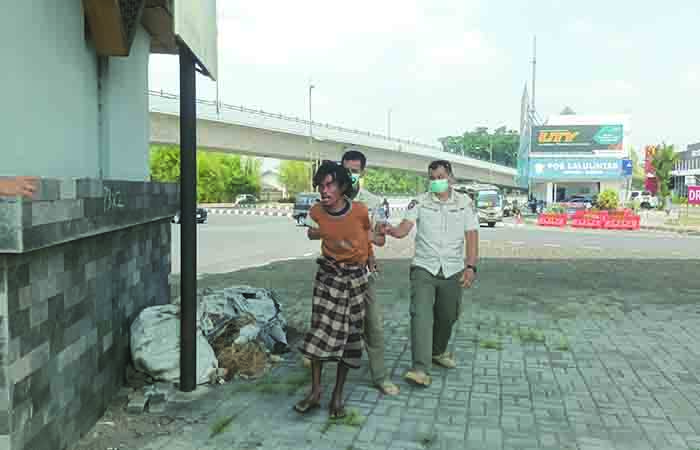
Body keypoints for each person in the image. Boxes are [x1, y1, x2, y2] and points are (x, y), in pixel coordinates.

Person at [305, 150, 401, 396]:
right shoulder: (326, 200)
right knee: (324, 322)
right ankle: (316, 368)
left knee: (373, 326)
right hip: (333, 273)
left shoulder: (374, 203)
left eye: (355, 171)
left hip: (360, 274)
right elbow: (313, 231)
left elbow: (379, 239)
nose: (350, 175)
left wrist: (359, 238)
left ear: (362, 172)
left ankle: (380, 377)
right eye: (346, 170)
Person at [382, 160, 479, 387]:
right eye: (432, 178)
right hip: (424, 267)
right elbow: (404, 229)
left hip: (453, 268)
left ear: (451, 178)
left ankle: (437, 351)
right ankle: (419, 368)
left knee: (448, 315)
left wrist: (471, 266)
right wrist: (390, 230)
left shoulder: (465, 203)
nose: (436, 182)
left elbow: (472, 235)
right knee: (421, 315)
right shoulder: (419, 202)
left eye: (441, 177)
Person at [295, 160, 373, 419]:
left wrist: (368, 254)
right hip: (328, 277)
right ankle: (316, 392)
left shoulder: (360, 211)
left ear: (342, 187)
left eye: (329, 185)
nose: (323, 191)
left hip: (355, 280)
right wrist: (324, 235)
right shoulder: (316, 211)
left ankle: (337, 397)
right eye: (320, 186)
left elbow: (367, 235)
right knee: (319, 333)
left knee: (350, 339)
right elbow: (311, 233)